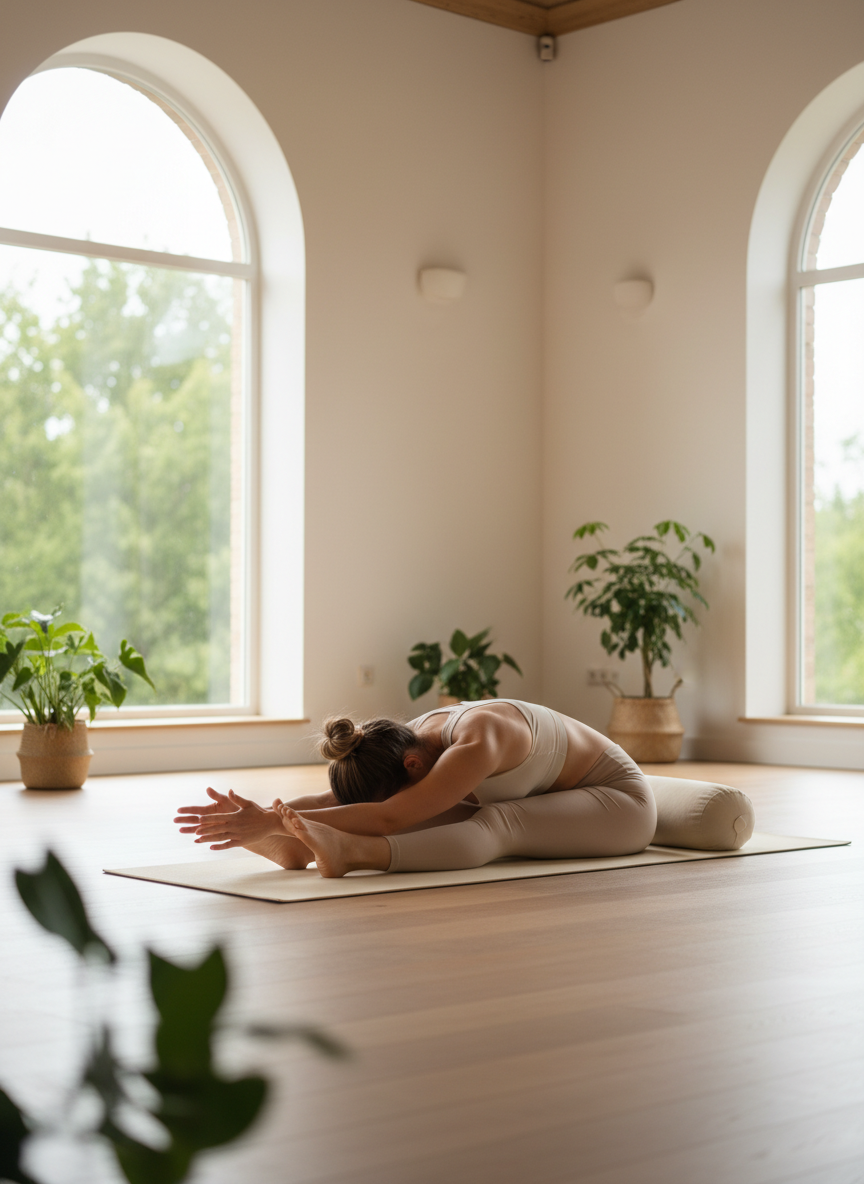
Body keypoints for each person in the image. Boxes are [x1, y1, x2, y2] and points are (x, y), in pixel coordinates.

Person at [174, 699, 657, 879]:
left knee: (493, 824)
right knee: (458, 811)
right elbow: (341, 803)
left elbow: (389, 816)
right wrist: (271, 818)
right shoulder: (409, 743)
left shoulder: (476, 739)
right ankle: (301, 850)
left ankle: (354, 855)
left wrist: (275, 821)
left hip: (619, 804)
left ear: (411, 762)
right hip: (551, 797)